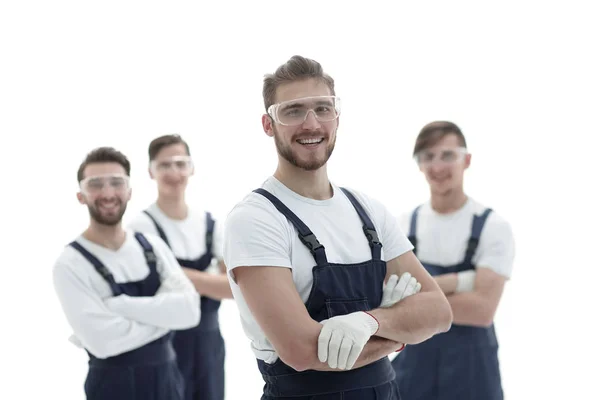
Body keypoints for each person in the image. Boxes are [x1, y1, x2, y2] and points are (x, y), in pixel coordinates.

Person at [223, 55, 453, 399]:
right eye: (293, 111)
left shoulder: (369, 211)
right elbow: (301, 351)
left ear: (337, 118)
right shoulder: (256, 219)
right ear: (268, 124)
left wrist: (370, 322)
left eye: (322, 108)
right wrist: (401, 330)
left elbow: (438, 311)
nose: (311, 123)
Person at [52, 147, 200, 400]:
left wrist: (120, 306)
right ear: (81, 195)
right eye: (96, 184)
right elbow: (103, 342)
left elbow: (190, 312)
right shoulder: (70, 264)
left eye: (117, 183)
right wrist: (164, 318)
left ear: (129, 191)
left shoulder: (153, 246)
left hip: (168, 383)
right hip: (112, 388)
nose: (108, 193)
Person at [391, 121, 516, 400]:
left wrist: (420, 297)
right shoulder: (401, 228)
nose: (437, 167)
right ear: (419, 165)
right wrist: (461, 281)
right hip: (412, 373)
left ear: (467, 160)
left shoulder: (493, 227)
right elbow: (388, 302)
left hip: (473, 375)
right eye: (428, 156)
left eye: (447, 155)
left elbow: (482, 311)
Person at [128, 134, 232, 400]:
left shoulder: (210, 224)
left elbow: (234, 287)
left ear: (191, 168)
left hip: (210, 345)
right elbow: (150, 294)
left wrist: (179, 276)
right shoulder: (142, 227)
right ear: (151, 171)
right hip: (163, 345)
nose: (173, 172)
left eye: (180, 163)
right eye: (164, 165)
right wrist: (209, 281)